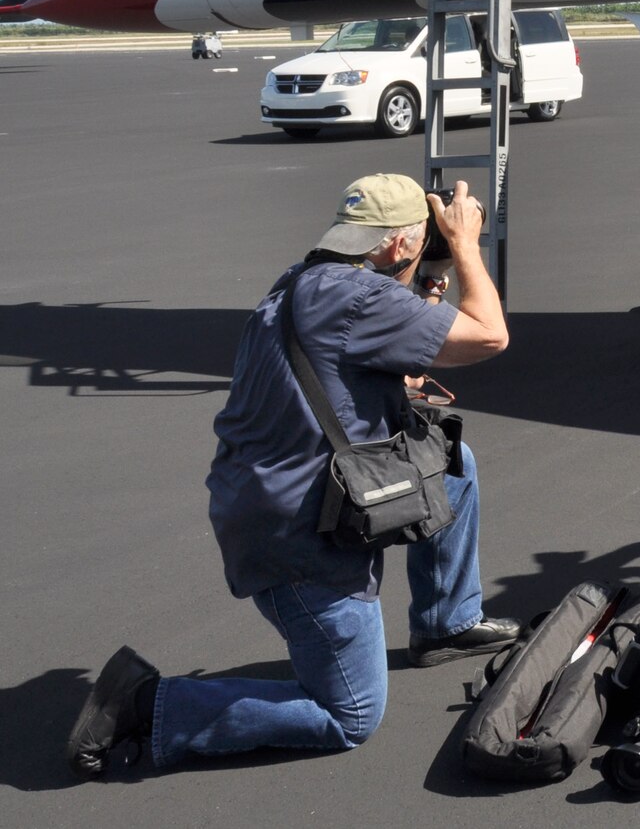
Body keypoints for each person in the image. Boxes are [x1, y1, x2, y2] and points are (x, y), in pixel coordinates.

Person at [66, 174, 520, 779]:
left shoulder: (305, 283)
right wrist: (464, 243)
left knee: (453, 468)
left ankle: (446, 622)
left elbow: (368, 363)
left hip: (262, 496)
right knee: (351, 713)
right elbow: (490, 335)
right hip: (299, 536)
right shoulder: (362, 300)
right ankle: (148, 705)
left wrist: (422, 294)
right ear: (397, 247)